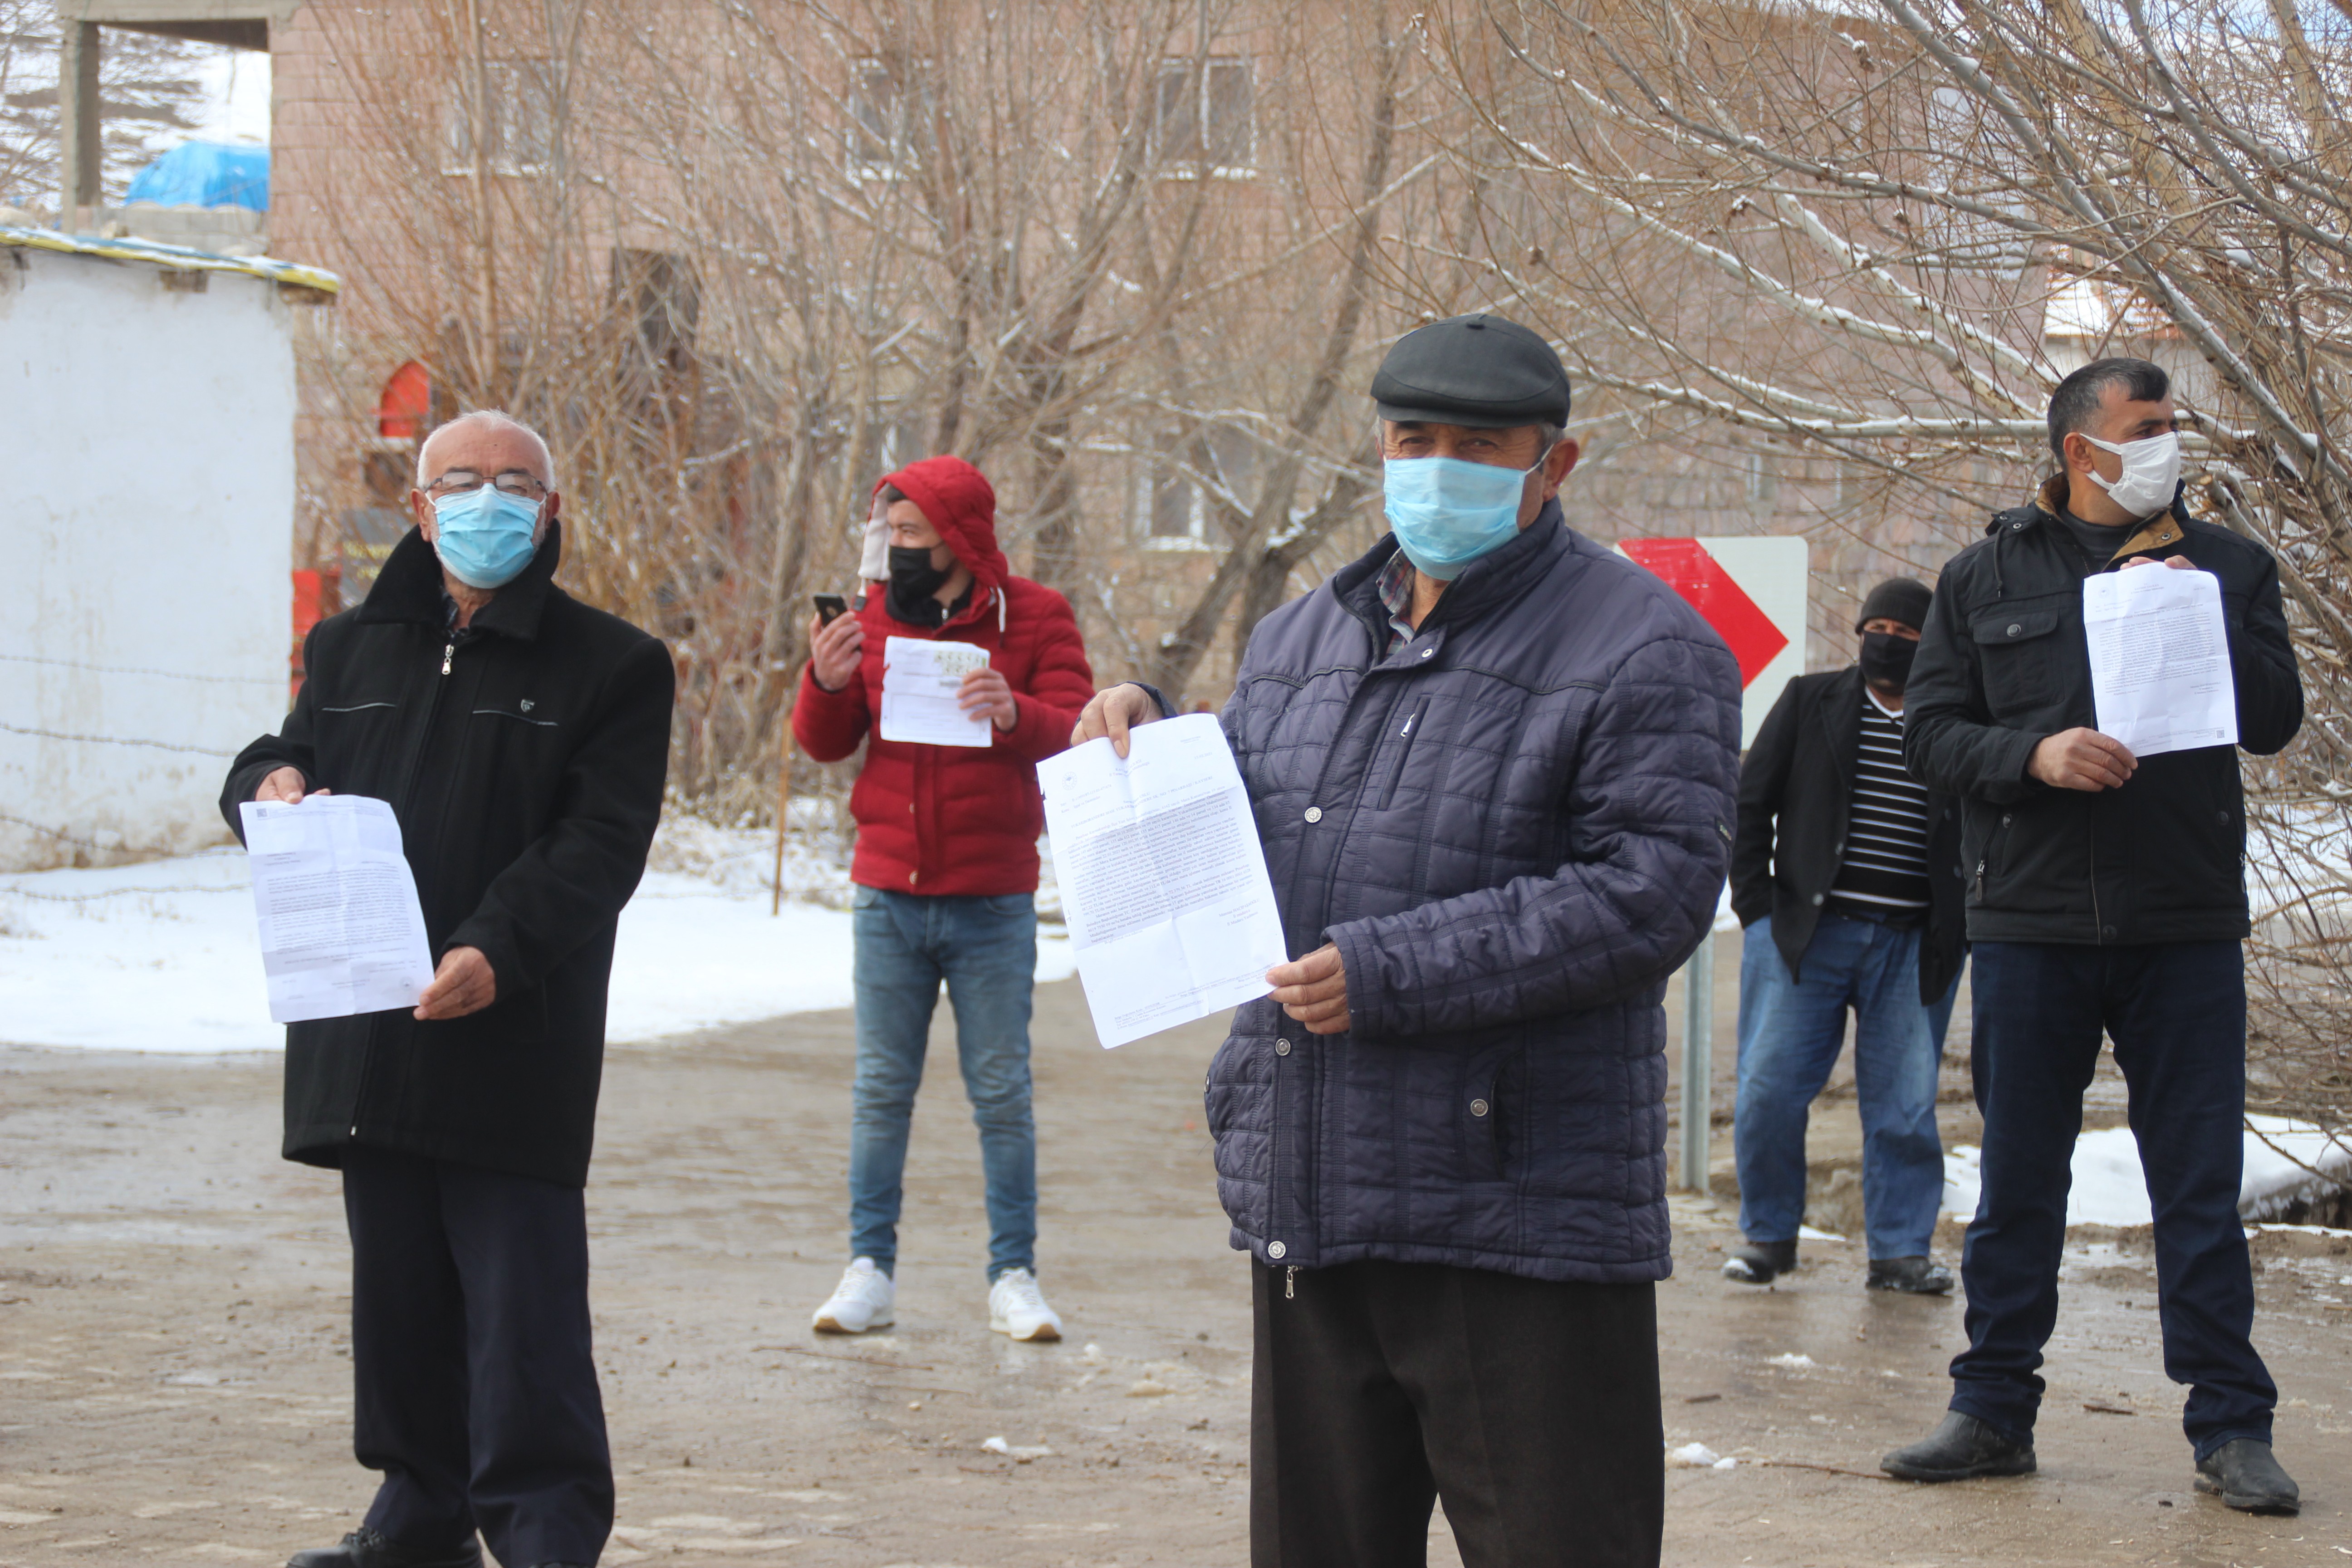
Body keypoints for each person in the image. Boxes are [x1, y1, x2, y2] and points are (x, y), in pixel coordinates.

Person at [1072, 314, 1741, 1568]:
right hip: (1317, 1193)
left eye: (1479, 447)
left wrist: (1391, 971)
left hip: (1518, 1211)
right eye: (1413, 439)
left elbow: (1651, 894)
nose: (1438, 469)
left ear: (1555, 462)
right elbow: (1261, 819)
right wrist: (1150, 738)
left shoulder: (1645, 645)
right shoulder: (1301, 638)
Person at [221, 411, 674, 1568]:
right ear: (421, 511)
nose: (488, 502)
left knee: (523, 1318)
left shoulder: (613, 664)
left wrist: (496, 950)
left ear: (551, 511)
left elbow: (599, 844)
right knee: (402, 1305)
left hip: (510, 1035)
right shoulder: (348, 648)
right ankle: (420, 1517)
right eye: (461, 482)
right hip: (369, 1029)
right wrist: (268, 784)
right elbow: (284, 756)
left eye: (515, 484)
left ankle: (545, 1535)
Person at [1883, 358, 2304, 1513]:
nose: (2171, 441)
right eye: (2147, 425)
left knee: (2199, 1188)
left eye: (2173, 423)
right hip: (2032, 924)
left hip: (2184, 922)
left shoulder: (2229, 566)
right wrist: (2035, 755)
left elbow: (2275, 720)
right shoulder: (1982, 576)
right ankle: (1991, 1411)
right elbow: (1929, 734)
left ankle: (2232, 1425)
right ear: (2081, 449)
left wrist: (2199, 617)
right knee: (2020, 1180)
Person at [795, 455, 1094, 1342]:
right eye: (889, 532)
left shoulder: (1037, 616)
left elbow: (1077, 734)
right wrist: (825, 682)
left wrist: (1014, 711)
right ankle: (869, 1270)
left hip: (991, 902)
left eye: (913, 534)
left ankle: (1014, 1277)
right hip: (886, 895)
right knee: (881, 1091)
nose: (897, 548)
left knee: (1001, 1093)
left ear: (959, 539)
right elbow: (824, 745)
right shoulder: (868, 617)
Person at [1724, 577, 1966, 1293]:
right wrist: (1757, 909)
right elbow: (1748, 804)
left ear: (1932, 644)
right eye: (1876, 629)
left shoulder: (1954, 719)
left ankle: (1900, 1251)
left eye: (1906, 633)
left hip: (1913, 945)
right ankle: (1768, 1238)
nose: (1887, 642)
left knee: (1905, 1108)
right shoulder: (1810, 701)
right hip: (1805, 938)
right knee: (1768, 1093)